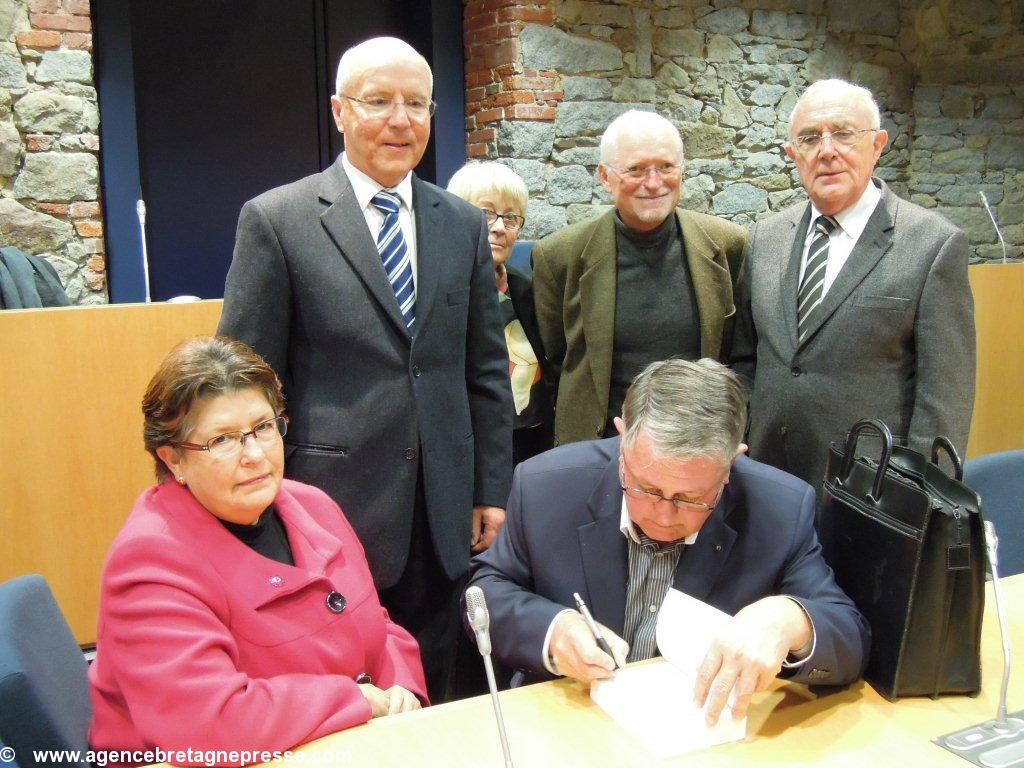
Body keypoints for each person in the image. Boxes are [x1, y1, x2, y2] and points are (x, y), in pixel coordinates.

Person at [217, 37, 513, 702]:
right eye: (378, 102)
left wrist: (491, 486)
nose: (400, 120)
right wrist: (258, 498)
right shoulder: (279, 220)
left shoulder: (461, 223)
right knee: (346, 691)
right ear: (339, 112)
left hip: (442, 512)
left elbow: (485, 370)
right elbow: (242, 383)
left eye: (416, 103)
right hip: (328, 507)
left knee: (437, 686)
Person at [468, 359, 869, 726]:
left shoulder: (778, 508)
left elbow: (850, 637)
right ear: (622, 440)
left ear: (732, 464)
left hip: (698, 731)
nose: (663, 515)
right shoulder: (547, 486)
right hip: (565, 719)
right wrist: (553, 630)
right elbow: (485, 594)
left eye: (691, 499)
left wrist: (793, 621)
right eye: (645, 488)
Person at [88, 336, 426, 759]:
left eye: (263, 428)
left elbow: (378, 626)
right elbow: (209, 724)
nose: (254, 454)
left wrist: (401, 692)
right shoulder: (151, 561)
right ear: (174, 459)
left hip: (340, 745)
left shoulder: (311, 505)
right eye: (223, 440)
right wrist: (357, 701)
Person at [732, 79, 976, 495]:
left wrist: (920, 497)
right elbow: (743, 358)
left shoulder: (932, 245)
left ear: (877, 144)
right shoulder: (764, 239)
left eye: (844, 133)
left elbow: (943, 400)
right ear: (794, 155)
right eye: (810, 138)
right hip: (767, 478)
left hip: (870, 491)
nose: (827, 150)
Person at [531, 110, 746, 447]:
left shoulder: (727, 244)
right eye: (635, 169)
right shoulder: (559, 256)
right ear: (605, 177)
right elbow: (558, 357)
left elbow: (740, 352)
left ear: (682, 171)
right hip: (599, 445)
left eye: (666, 166)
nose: (653, 182)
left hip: (699, 446)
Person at [447, 160, 554, 463]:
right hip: (468, 451)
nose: (497, 227)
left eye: (510, 217)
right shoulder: (438, 291)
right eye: (485, 213)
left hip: (532, 448)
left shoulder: (528, 289)